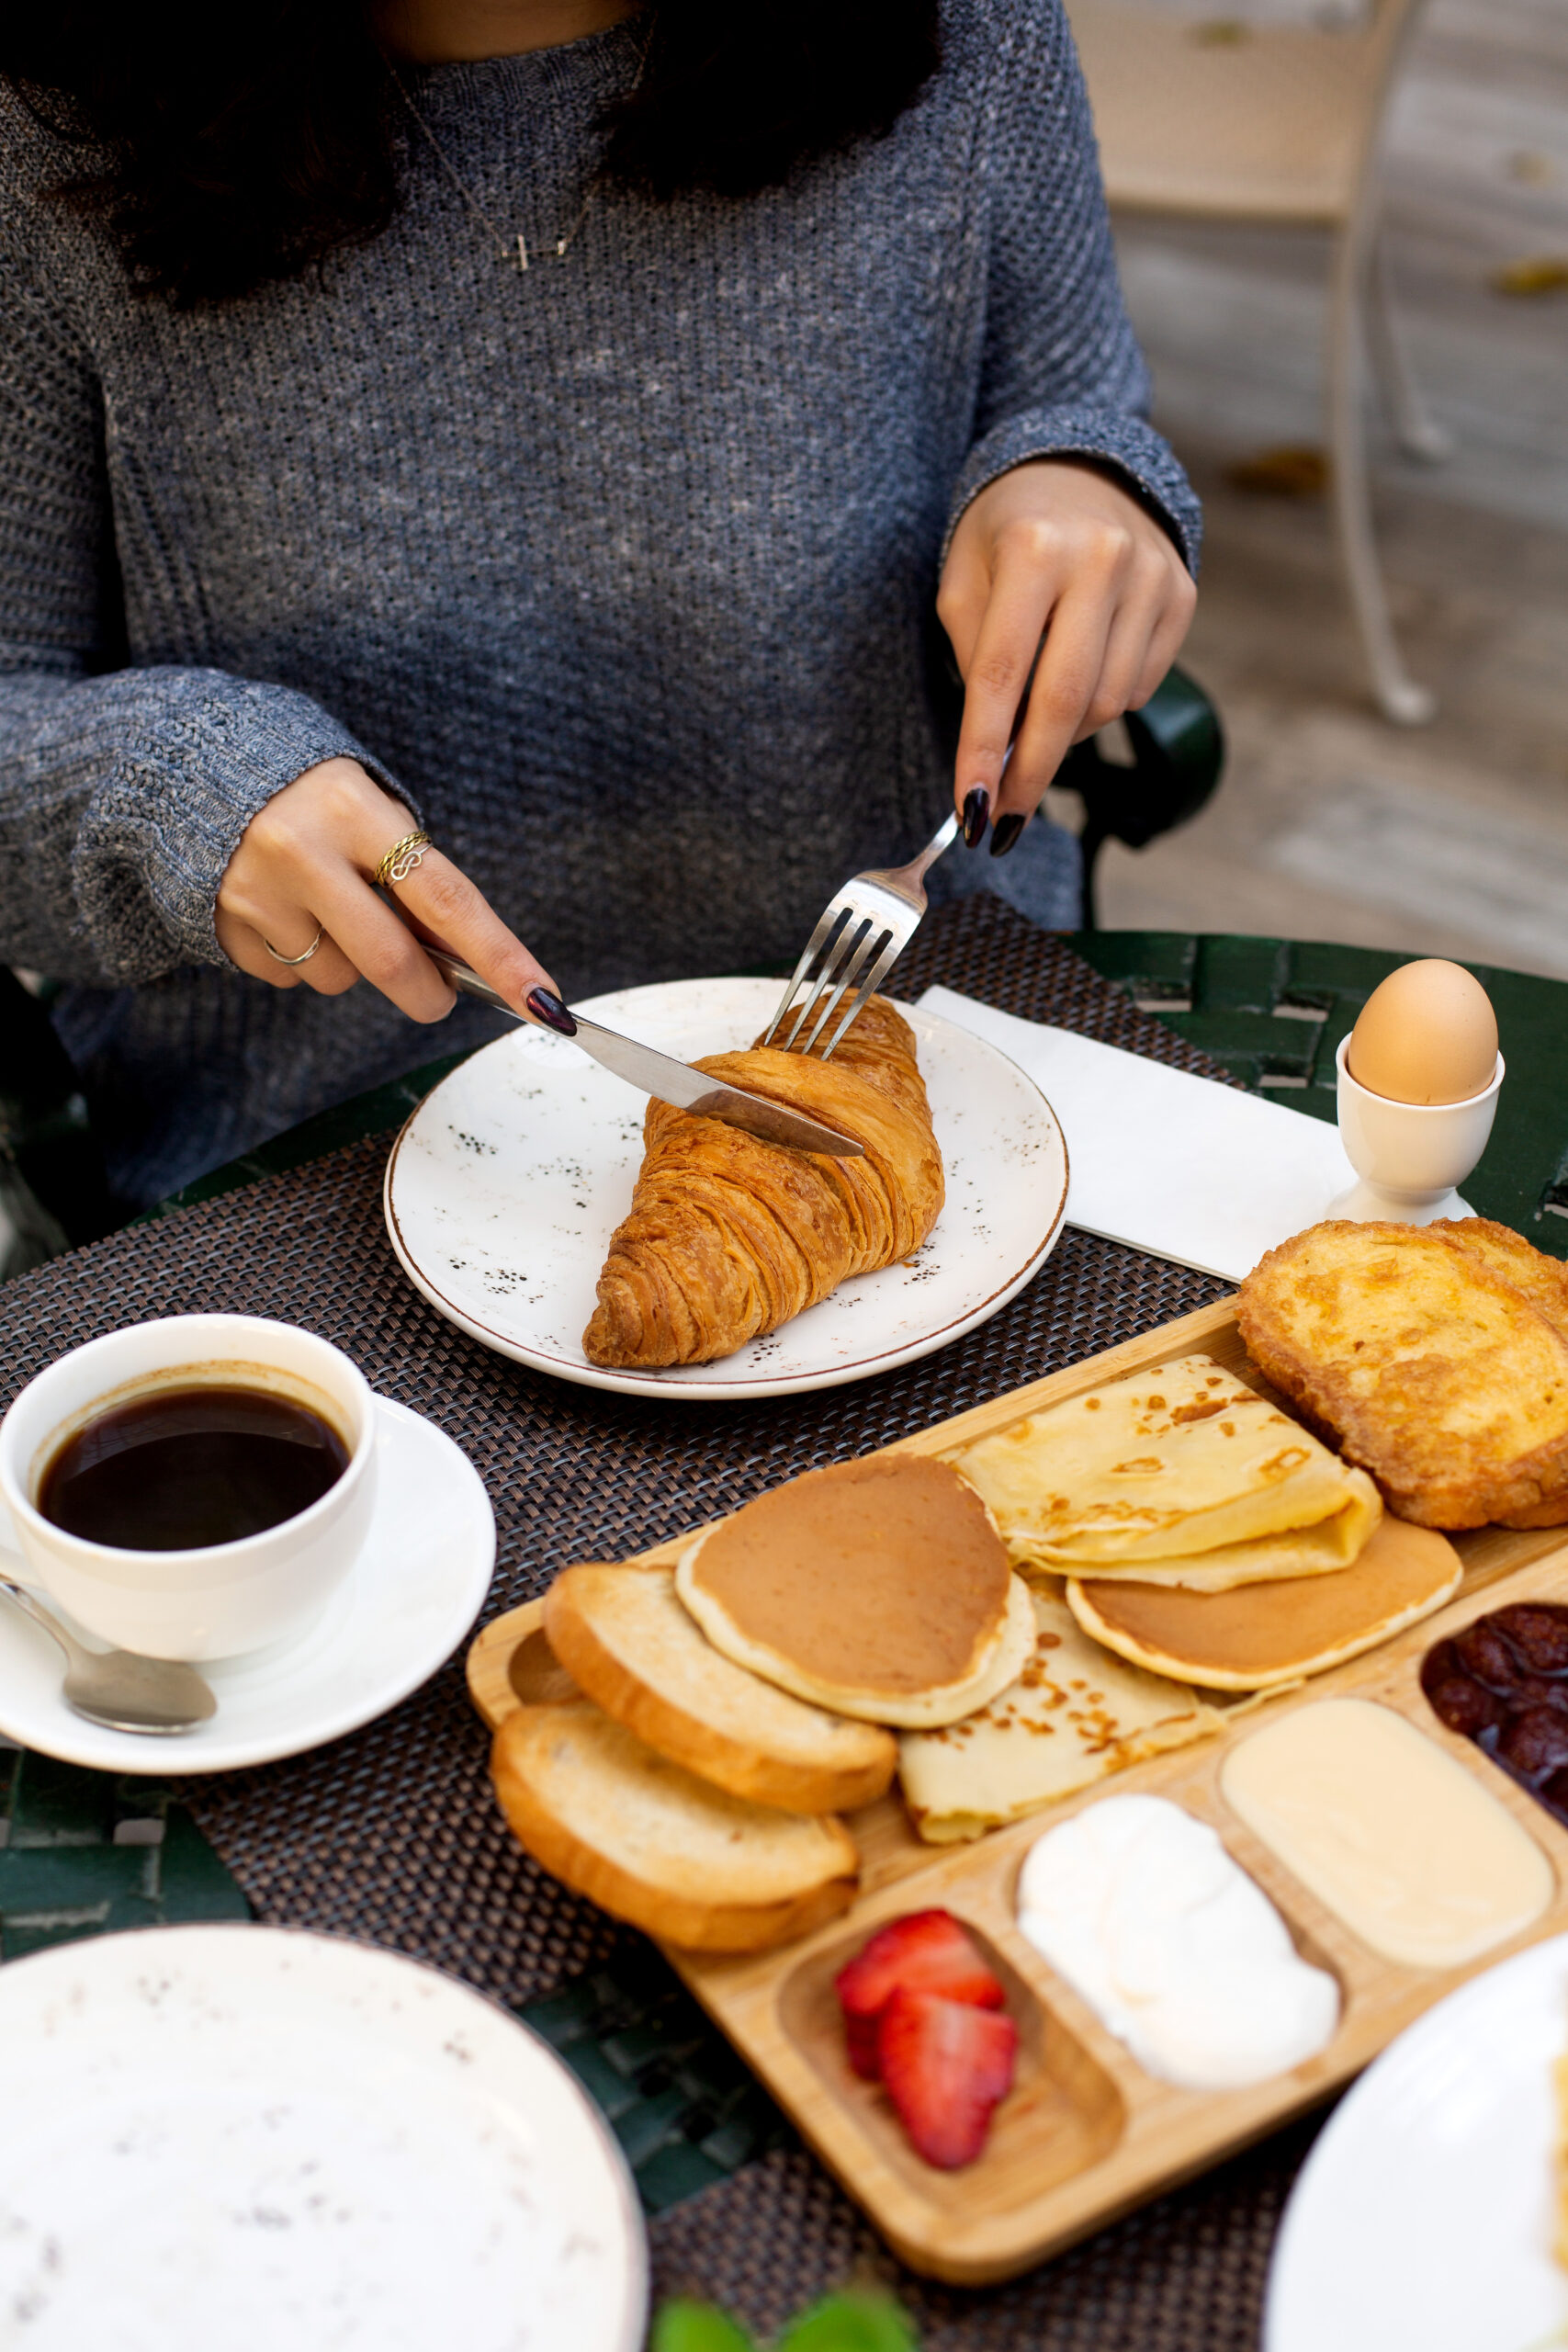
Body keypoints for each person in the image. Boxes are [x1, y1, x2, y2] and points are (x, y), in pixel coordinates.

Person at [0, 0, 1198, 1213]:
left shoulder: (966, 29)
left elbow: (1072, 400)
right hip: (306, 1154)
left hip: (950, 1069)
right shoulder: (48, 124)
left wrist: (1080, 477)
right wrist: (175, 791)